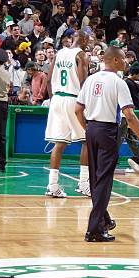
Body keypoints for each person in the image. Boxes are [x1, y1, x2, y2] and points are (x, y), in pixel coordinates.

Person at [75, 47, 139, 242]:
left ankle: (104, 220)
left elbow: (77, 110)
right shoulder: (119, 82)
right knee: (104, 181)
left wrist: (88, 128)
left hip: (91, 129)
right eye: (124, 59)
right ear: (115, 60)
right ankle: (94, 230)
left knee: (95, 179)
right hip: (108, 131)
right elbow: (129, 115)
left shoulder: (90, 79)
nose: (126, 62)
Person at [44, 30, 91, 198]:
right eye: (89, 40)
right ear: (83, 40)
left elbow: (48, 80)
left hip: (57, 99)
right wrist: (85, 106)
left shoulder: (59, 53)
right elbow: (83, 82)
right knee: (87, 141)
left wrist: (53, 100)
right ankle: (84, 184)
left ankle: (52, 185)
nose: (89, 43)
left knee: (59, 143)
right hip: (73, 99)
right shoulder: (82, 55)